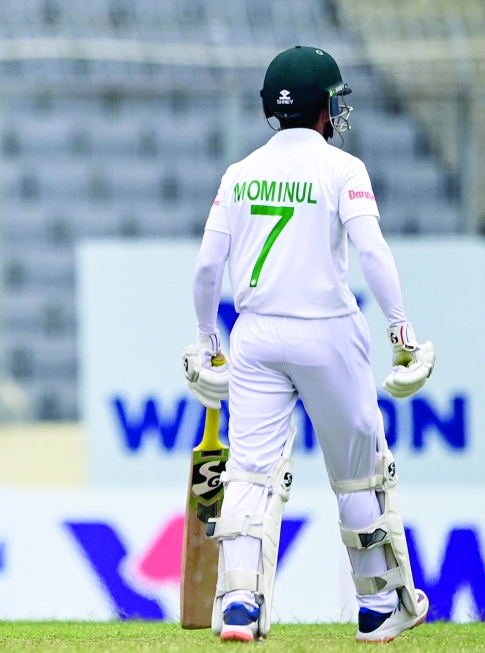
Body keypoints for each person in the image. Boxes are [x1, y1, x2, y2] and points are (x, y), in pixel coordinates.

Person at [182, 46, 435, 643]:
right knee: (358, 473)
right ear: (325, 107)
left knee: (249, 473)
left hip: (256, 335)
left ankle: (240, 602)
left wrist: (203, 339)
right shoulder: (343, 169)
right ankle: (377, 607)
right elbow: (371, 251)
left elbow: (205, 269)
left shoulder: (239, 173)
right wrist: (401, 329)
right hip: (327, 331)